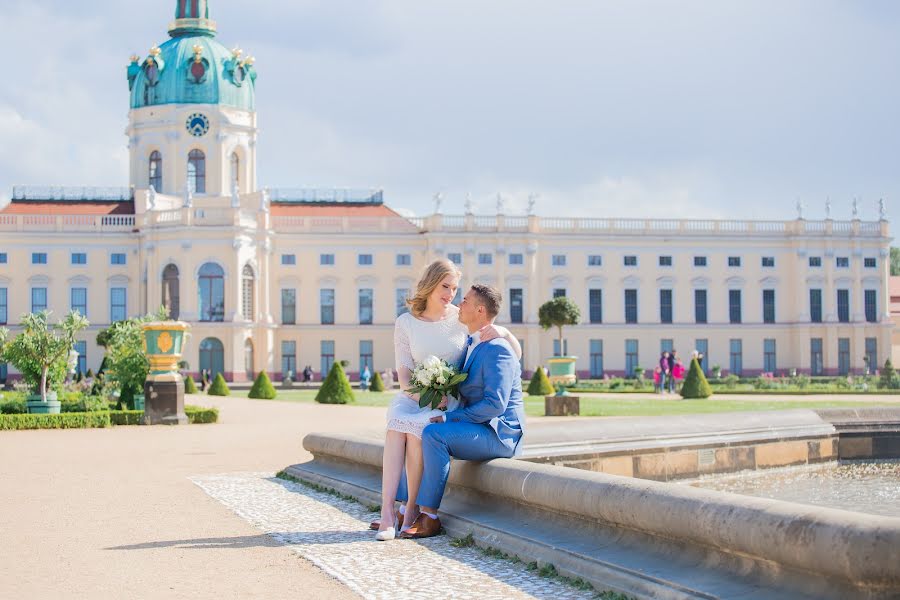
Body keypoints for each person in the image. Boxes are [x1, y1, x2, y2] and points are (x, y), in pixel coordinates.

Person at [372, 260, 522, 541]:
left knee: (423, 432)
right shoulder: (407, 322)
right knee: (396, 426)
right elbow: (404, 372)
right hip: (417, 396)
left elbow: (502, 350)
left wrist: (505, 331)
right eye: (446, 286)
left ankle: (418, 510)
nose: (452, 295)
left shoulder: (462, 320)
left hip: (453, 406)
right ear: (431, 282)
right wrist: (423, 394)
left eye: (456, 290)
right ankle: (389, 512)